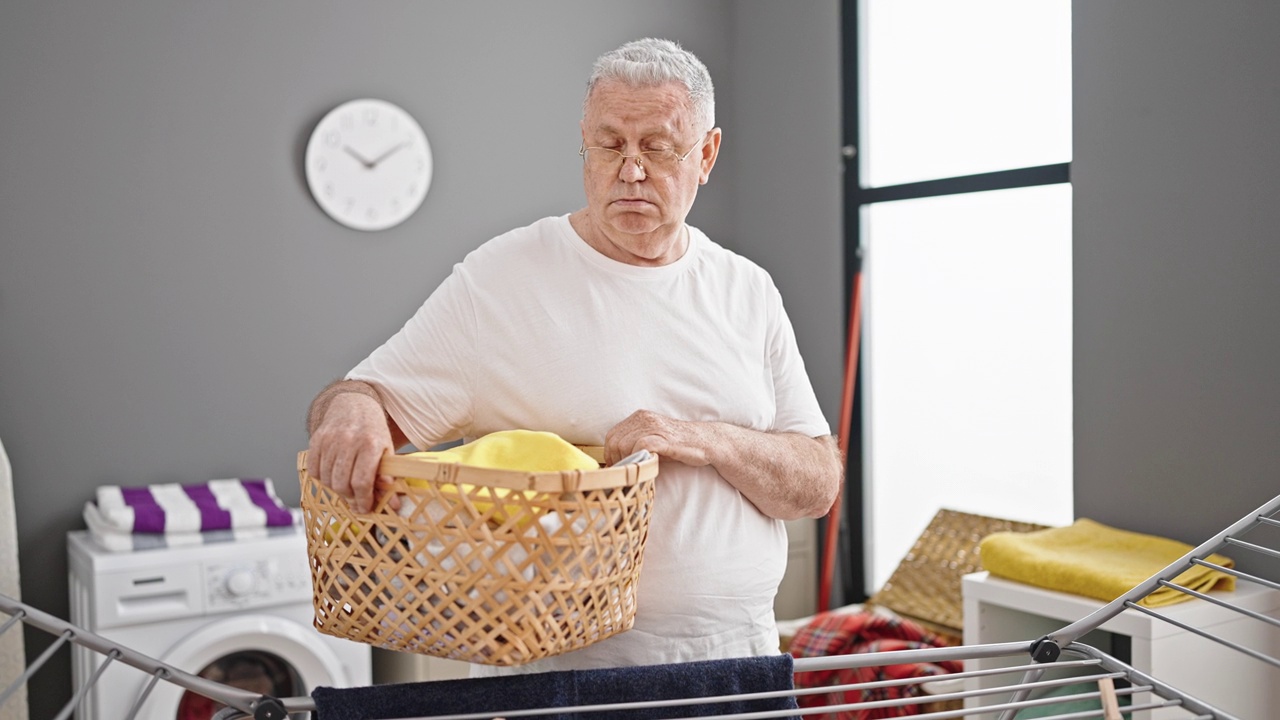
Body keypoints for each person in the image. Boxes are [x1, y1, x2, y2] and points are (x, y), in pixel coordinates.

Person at [306, 37, 843, 674]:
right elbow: (366, 397)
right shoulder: (501, 280)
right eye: (610, 144)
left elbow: (817, 482)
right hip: (565, 677)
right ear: (583, 143)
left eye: (659, 147)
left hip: (742, 659)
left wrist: (705, 440)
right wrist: (350, 411)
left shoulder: (747, 289)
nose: (631, 169)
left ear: (707, 154)